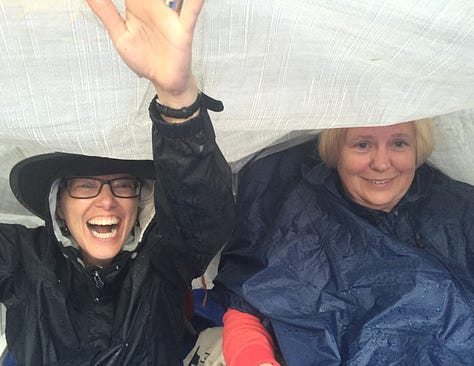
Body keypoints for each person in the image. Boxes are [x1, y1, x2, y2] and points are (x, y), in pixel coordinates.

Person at [0, 0, 234, 365]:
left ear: (139, 201)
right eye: (85, 186)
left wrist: (178, 100)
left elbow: (201, 212)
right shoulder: (23, 257)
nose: (107, 201)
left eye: (123, 185)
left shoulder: (163, 260)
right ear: (58, 203)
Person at [213, 119, 474, 365]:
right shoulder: (297, 216)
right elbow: (246, 307)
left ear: (417, 148)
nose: (382, 163)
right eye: (363, 145)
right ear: (336, 150)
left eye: (399, 143)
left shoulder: (458, 211)